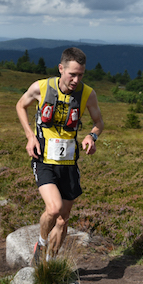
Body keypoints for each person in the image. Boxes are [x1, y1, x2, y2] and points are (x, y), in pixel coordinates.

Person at [16, 47, 105, 264]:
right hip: (44, 159)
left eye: (80, 75)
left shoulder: (87, 94)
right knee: (53, 209)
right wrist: (30, 136)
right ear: (61, 68)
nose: (76, 80)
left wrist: (91, 137)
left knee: (64, 220)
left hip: (68, 163)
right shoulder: (41, 87)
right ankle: (41, 244)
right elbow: (20, 105)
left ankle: (50, 263)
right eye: (72, 74)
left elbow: (98, 123)